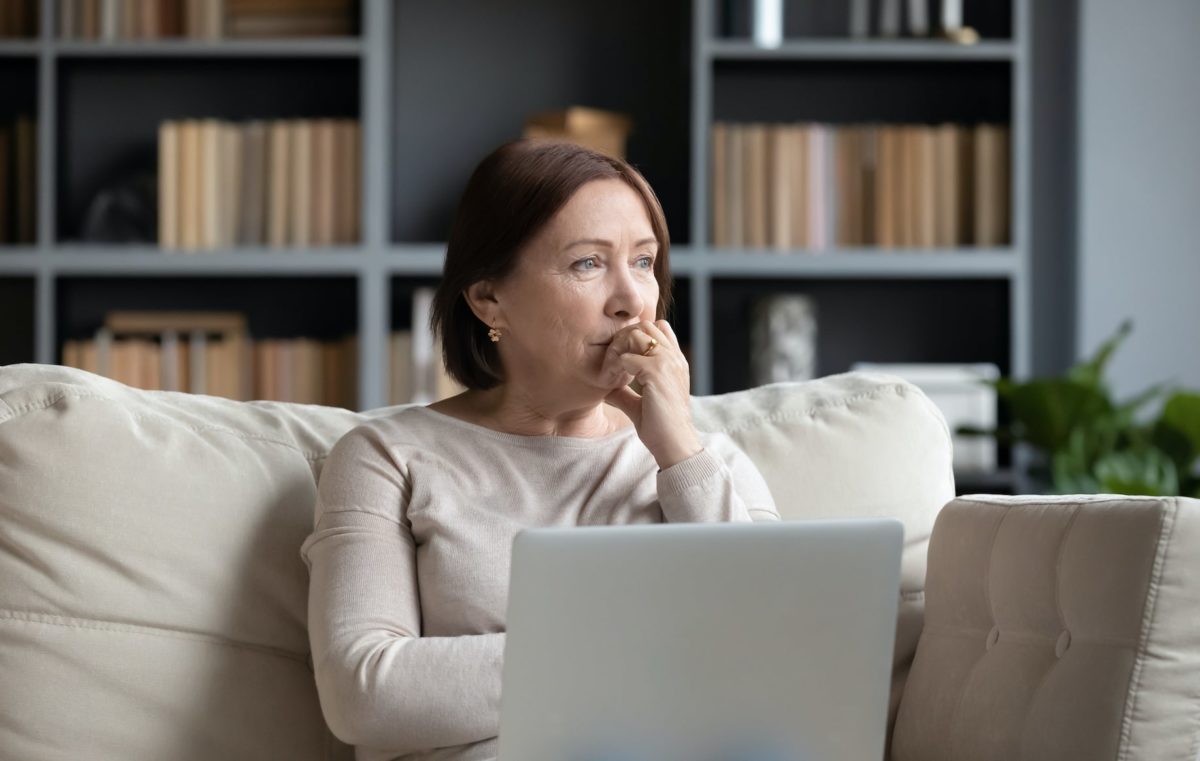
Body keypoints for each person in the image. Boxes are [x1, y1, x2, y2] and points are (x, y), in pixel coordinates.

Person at [300, 139, 781, 761]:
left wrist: (679, 453)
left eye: (643, 262)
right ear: (488, 299)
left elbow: (772, 668)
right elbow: (364, 694)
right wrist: (659, 654)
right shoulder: (385, 457)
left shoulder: (704, 462)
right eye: (587, 264)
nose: (633, 298)